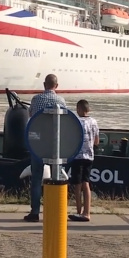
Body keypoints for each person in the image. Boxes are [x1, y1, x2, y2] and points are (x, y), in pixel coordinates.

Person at [24, 73, 66, 222]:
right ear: (57, 85)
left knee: (36, 178)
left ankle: (35, 212)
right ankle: (56, 210)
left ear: (44, 84)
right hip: (55, 144)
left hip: (37, 143)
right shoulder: (61, 100)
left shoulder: (36, 100)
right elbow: (65, 121)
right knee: (58, 176)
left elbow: (31, 117)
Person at [69, 99, 99, 222]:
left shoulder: (76, 122)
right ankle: (87, 212)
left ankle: (79, 211)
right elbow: (96, 141)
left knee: (77, 184)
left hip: (78, 156)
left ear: (79, 109)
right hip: (89, 156)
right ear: (88, 109)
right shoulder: (94, 122)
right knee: (86, 183)